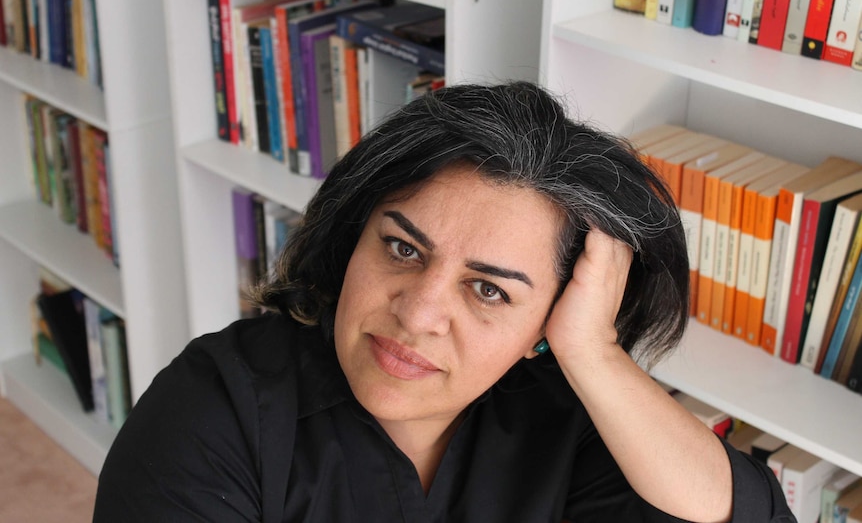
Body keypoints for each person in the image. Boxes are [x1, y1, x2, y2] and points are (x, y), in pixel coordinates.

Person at [93, 82, 794, 522]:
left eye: (489, 289)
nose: (419, 311)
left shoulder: (570, 422)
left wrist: (596, 355)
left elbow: (737, 513)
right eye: (402, 248)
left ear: (547, 322)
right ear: (353, 233)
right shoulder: (213, 407)